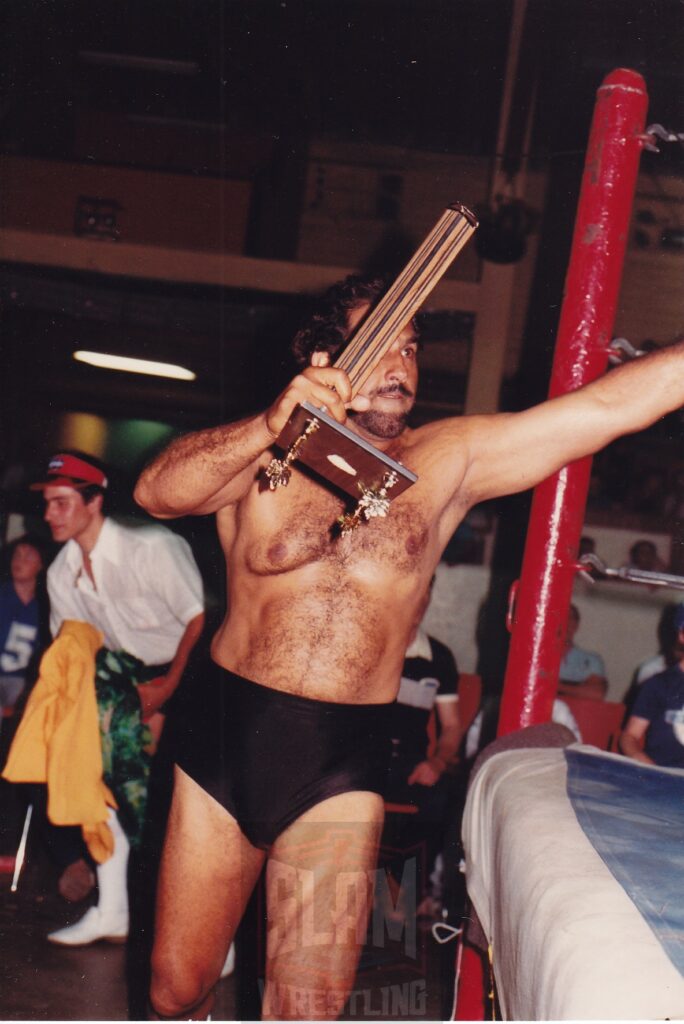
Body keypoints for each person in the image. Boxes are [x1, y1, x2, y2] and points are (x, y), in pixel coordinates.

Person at [134, 274, 684, 1021]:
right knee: (175, 988)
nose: (401, 364)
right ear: (330, 356)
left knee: (305, 1009)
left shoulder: (447, 458)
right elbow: (156, 493)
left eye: (412, 347)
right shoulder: (262, 455)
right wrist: (271, 422)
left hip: (339, 761)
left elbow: (612, 404)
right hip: (227, 736)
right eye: (381, 342)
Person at [27, 451, 205, 947]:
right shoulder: (62, 571)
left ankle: (208, 940)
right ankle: (113, 911)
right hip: (124, 681)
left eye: (61, 503)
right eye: (47, 504)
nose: (49, 515)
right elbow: (74, 648)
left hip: (189, 675)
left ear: (95, 501)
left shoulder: (152, 547)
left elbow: (200, 621)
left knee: (175, 808)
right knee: (105, 792)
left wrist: (168, 689)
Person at [383, 578, 462, 919]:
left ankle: (407, 889)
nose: (419, 600)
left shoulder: (439, 658)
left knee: (443, 797)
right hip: (360, 760)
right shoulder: (372, 643)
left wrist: (439, 761)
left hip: (411, 764)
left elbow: (452, 727)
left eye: (426, 592)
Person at [620, 603, 684, 769]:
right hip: (661, 775)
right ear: (681, 636)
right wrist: (649, 767)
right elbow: (630, 736)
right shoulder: (659, 684)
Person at [0, 534, 48, 728]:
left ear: (41, 565)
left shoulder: (44, 607)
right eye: (16, 556)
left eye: (28, 556)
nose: (19, 561)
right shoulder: (3, 595)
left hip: (20, 682)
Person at [558, 603, 608, 702]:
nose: (566, 622)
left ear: (576, 625)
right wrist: (577, 689)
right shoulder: (538, 657)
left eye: (570, 618)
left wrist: (556, 687)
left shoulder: (591, 660)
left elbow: (596, 694)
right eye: (561, 616)